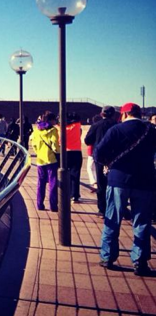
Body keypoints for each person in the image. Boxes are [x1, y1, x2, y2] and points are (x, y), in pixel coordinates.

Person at [94, 103, 156, 275]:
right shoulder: (151, 130)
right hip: (146, 181)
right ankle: (140, 261)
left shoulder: (116, 130)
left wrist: (109, 163)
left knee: (112, 219)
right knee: (142, 222)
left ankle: (107, 257)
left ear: (125, 114)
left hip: (118, 180)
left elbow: (98, 154)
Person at [85, 106, 119, 217]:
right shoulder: (117, 126)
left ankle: (102, 209)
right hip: (115, 158)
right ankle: (115, 207)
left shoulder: (96, 125)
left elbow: (87, 140)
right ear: (113, 114)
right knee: (115, 184)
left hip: (100, 158)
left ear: (101, 114)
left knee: (101, 184)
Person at [31, 111, 60, 212]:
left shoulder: (36, 130)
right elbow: (55, 146)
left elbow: (33, 144)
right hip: (51, 160)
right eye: (54, 120)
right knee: (53, 183)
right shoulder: (53, 130)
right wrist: (58, 152)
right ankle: (53, 206)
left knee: (41, 183)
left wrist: (39, 152)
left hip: (40, 160)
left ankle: (40, 204)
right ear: (51, 120)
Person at [64, 113, 83, 203]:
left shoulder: (60, 127)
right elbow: (80, 133)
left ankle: (67, 193)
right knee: (76, 174)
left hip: (65, 152)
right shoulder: (77, 125)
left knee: (66, 174)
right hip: (76, 151)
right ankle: (75, 195)